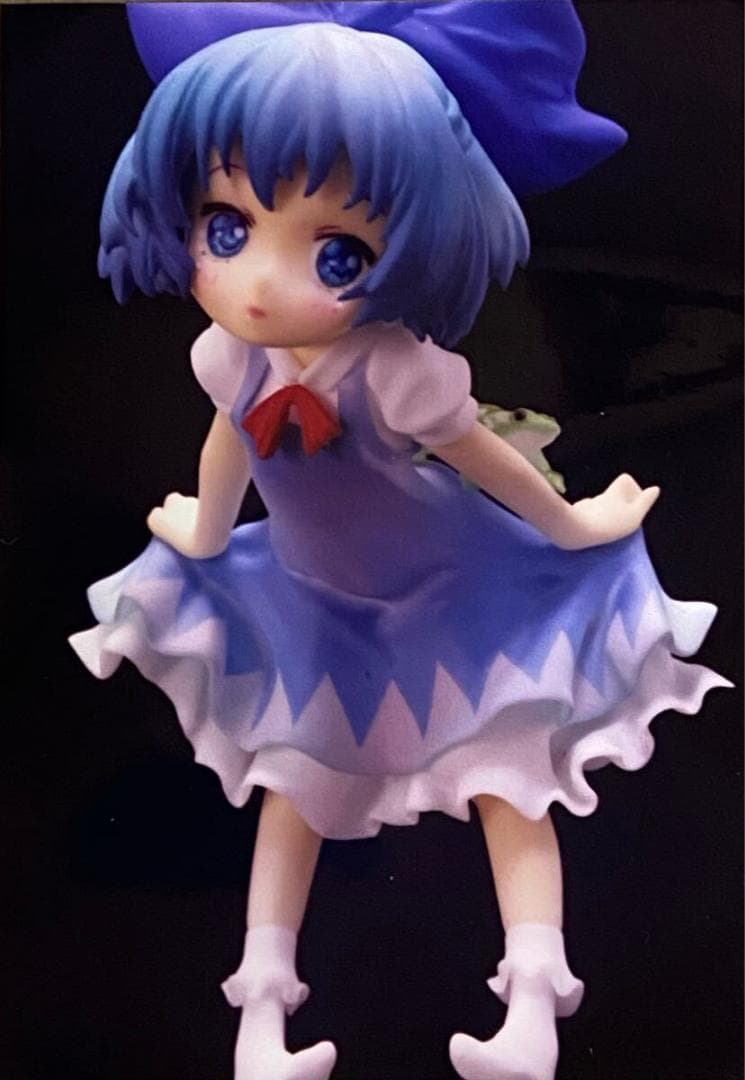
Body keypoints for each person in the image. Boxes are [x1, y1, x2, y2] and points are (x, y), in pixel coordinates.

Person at [70, 5, 730, 1078]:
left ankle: (531, 1006)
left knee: (505, 773)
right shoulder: (224, 359)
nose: (258, 283)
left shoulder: (399, 372)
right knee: (291, 783)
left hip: (452, 584)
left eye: (336, 251)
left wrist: (573, 527)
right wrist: (204, 525)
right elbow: (228, 445)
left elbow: (490, 463)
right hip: (310, 594)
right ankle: (260, 1021)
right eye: (226, 227)